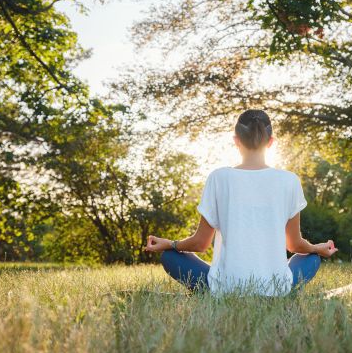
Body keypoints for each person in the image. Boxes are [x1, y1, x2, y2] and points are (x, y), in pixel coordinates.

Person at [144, 109, 338, 297]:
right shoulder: (290, 180)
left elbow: (200, 243)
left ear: (236, 141)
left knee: (169, 256)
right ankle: (281, 290)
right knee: (311, 258)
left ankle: (211, 291)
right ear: (271, 142)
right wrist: (317, 248)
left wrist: (170, 244)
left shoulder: (218, 177)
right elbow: (295, 245)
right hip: (276, 289)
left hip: (224, 289)